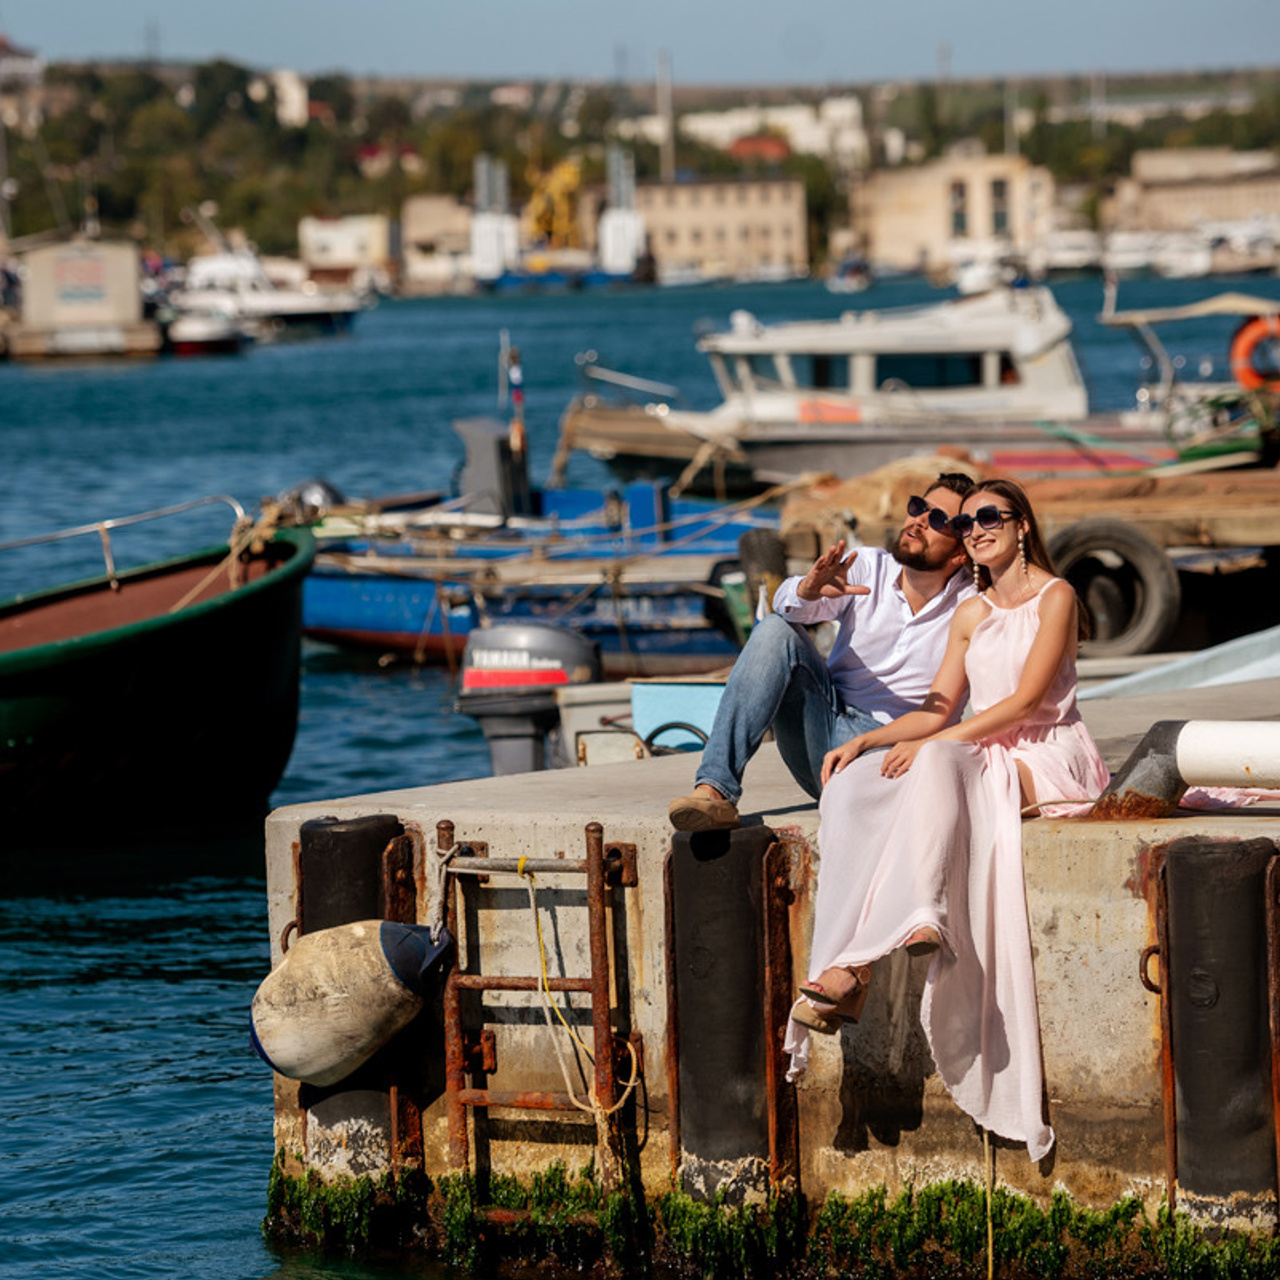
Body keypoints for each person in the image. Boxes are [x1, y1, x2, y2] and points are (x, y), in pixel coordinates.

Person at [784, 477, 1112, 1163]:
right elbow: (938, 710)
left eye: (989, 517)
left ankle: (890, 940)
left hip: (1047, 756)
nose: (976, 530)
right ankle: (850, 965)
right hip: (978, 750)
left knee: (933, 766)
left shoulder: (1057, 597)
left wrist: (933, 746)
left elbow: (1025, 704)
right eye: (966, 525)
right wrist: (866, 743)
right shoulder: (971, 612)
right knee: (854, 790)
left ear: (1022, 524)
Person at [668, 473, 977, 832]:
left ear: (959, 553)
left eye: (937, 519)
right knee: (774, 629)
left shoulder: (972, 608)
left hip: (889, 753)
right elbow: (785, 613)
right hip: (823, 724)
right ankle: (714, 791)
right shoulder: (868, 565)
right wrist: (808, 591)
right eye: (918, 507)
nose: (919, 521)